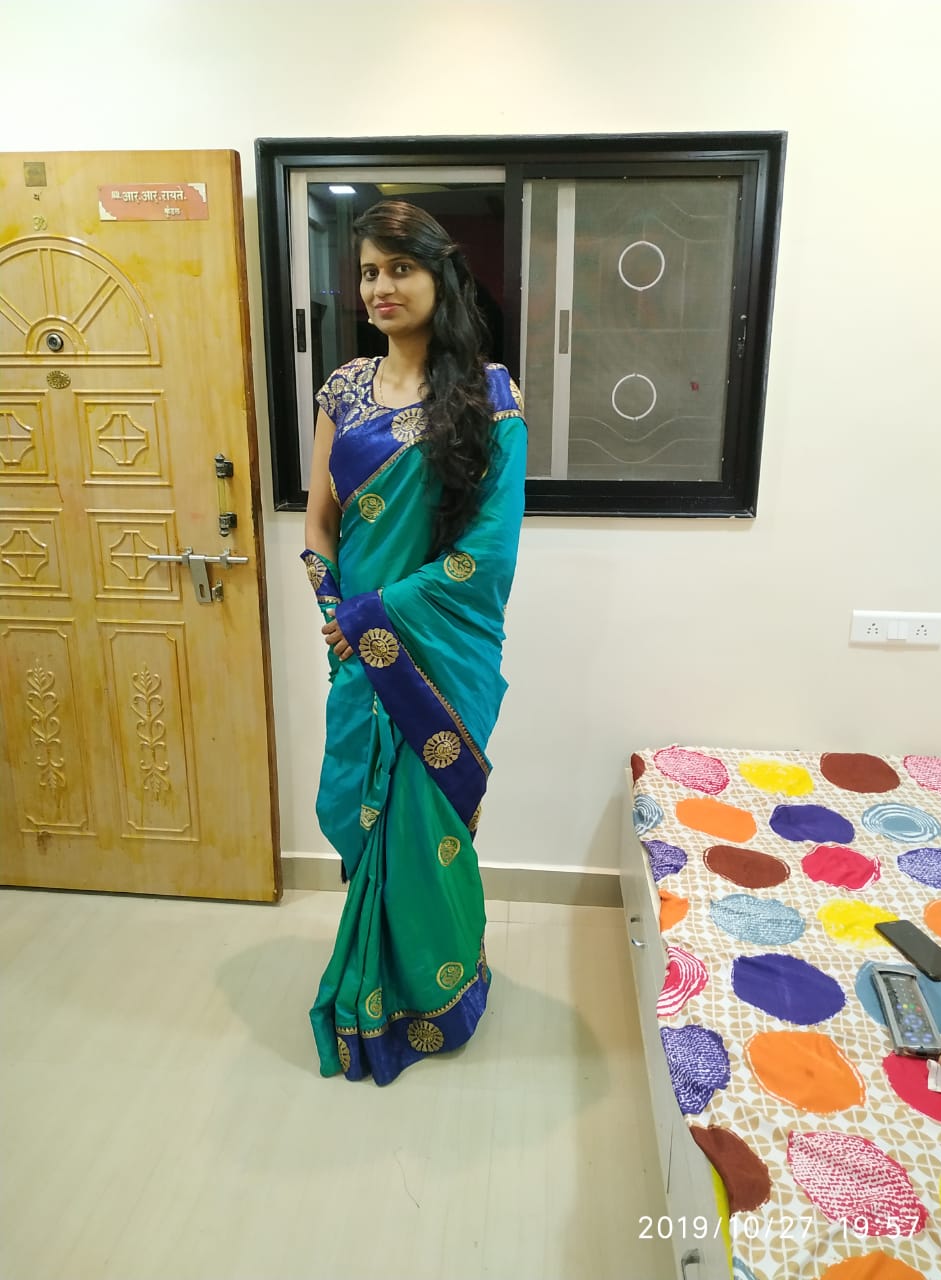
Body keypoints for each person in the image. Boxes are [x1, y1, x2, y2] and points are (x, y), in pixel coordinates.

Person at [301, 200, 526, 1086]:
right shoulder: (343, 391)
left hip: (435, 655)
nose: (380, 287)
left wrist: (373, 616)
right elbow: (320, 524)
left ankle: (439, 993)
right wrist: (336, 611)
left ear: (440, 276)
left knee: (430, 825)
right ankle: (375, 984)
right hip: (355, 652)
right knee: (363, 813)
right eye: (368, 271)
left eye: (400, 268)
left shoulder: (489, 394)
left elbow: (488, 551)